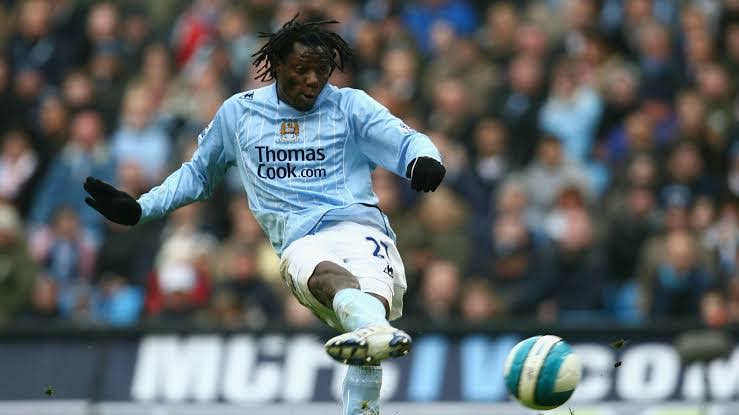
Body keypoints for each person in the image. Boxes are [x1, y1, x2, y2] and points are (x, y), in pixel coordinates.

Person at [82, 15, 445, 414]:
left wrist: (424, 160)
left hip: (363, 228)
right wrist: (139, 209)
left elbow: (408, 139)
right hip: (300, 240)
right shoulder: (239, 115)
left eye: (321, 71)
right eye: (301, 70)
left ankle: (362, 401)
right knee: (331, 279)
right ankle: (370, 329)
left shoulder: (349, 106)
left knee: (369, 318)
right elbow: (197, 175)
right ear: (275, 66)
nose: (312, 80)